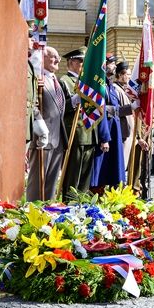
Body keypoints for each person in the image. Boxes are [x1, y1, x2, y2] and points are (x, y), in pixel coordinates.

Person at [25, 47, 68, 201]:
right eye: (54, 56)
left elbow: (59, 108)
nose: (58, 60)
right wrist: (39, 123)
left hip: (58, 139)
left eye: (58, 57)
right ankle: (33, 210)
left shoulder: (55, 80)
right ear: (43, 57)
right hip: (42, 137)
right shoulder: (38, 78)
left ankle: (47, 210)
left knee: (51, 181)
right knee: (38, 181)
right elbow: (32, 103)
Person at [58, 47, 96, 198]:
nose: (83, 65)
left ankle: (83, 201)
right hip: (75, 132)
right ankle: (70, 201)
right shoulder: (64, 81)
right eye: (80, 61)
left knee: (86, 174)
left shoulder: (86, 82)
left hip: (89, 131)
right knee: (74, 172)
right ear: (71, 62)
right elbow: (60, 108)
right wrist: (73, 102)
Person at [89, 56, 129, 191]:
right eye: (111, 63)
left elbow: (113, 108)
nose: (114, 66)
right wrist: (104, 137)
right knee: (101, 172)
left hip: (114, 131)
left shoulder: (109, 85)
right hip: (105, 132)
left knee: (114, 171)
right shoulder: (99, 85)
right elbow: (100, 109)